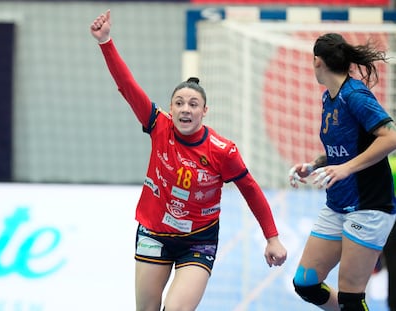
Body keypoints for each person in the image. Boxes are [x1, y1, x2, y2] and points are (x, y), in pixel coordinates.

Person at [90, 10, 287, 311]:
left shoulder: (223, 151)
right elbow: (128, 86)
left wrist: (272, 238)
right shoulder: (158, 125)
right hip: (154, 232)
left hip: (198, 238)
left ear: (204, 111)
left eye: (193, 104)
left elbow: (251, 190)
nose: (185, 109)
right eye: (179, 103)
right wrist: (106, 41)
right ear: (171, 107)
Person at [288, 33, 396, 311]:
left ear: (317, 61)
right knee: (306, 283)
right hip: (338, 205)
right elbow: (344, 150)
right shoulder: (329, 99)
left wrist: (346, 169)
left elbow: (390, 137)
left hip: (369, 206)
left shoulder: (355, 94)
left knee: (351, 297)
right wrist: (314, 165)